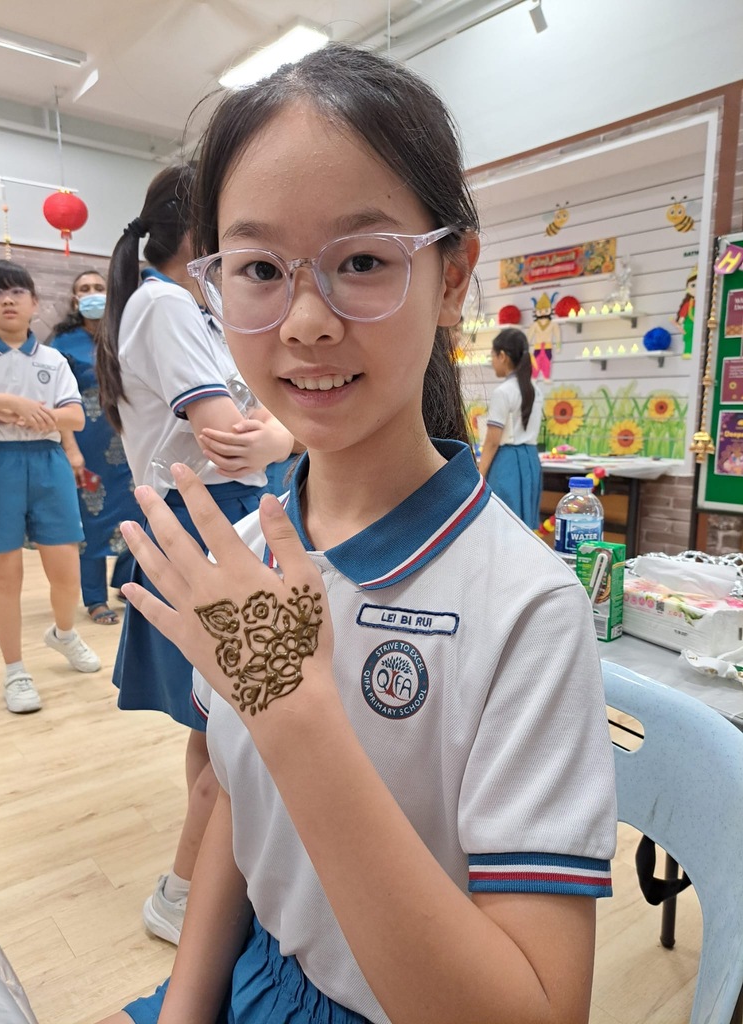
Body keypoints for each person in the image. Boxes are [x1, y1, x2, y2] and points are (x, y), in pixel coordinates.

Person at [95, 43, 616, 1024]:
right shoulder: (247, 549)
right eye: (258, 268)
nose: (305, 321)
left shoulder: (526, 608)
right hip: (254, 977)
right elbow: (237, 806)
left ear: (453, 277)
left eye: (364, 261)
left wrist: (296, 716)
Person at [96, 164, 294, 947]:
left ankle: (206, 882)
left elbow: (270, 423)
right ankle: (185, 893)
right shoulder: (166, 303)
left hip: (221, 519)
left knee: (218, 725)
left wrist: (279, 431)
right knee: (235, 728)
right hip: (206, 522)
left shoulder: (191, 306)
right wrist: (282, 432)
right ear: (196, 229)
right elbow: (233, 436)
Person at [0, 260, 101, 715]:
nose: (7, 300)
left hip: (49, 464)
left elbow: (75, 417)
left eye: (16, 292)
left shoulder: (52, 359)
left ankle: (64, 634)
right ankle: (15, 670)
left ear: (35, 302)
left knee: (66, 571)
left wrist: (19, 412)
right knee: (5, 575)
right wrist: (8, 402)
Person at [50, 270, 138, 625]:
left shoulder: (125, 334)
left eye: (98, 287)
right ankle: (95, 598)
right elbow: (55, 399)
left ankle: (127, 582)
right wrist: (70, 448)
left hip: (130, 441)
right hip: (86, 443)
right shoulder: (63, 343)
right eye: (84, 289)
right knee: (91, 522)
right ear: (75, 299)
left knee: (138, 514)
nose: (92, 293)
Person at [478, 327, 543, 529]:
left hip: (506, 463)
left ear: (503, 356)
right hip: (530, 460)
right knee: (525, 526)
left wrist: (479, 476)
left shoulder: (503, 392)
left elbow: (492, 441)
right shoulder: (536, 390)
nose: (492, 361)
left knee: (502, 525)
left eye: (492, 355)